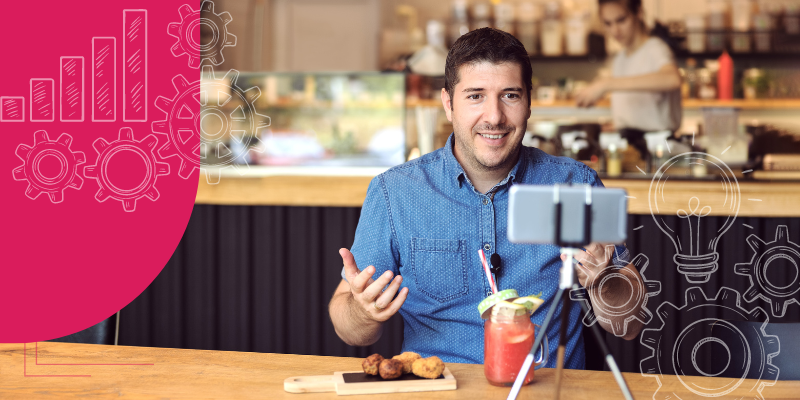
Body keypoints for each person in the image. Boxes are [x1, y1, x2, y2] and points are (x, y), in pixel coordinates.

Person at [328, 28, 648, 368]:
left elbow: (630, 325)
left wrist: (605, 284)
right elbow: (350, 331)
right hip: (439, 389)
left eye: (509, 95)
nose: (494, 117)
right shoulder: (395, 192)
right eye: (475, 96)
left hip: (546, 390)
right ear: (448, 105)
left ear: (529, 102)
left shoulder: (574, 184)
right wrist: (362, 311)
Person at [575, 0, 682, 161]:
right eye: (608, 23)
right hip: (629, 149)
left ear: (638, 12)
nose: (615, 30)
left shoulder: (655, 48)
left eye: (621, 20)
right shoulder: (620, 59)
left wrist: (606, 84)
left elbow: (672, 78)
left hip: (658, 152)